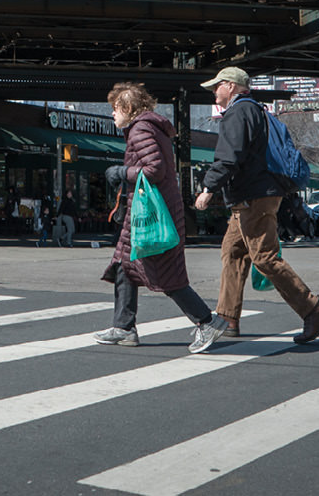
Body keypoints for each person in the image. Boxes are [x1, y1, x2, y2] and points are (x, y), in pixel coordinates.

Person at [194, 66, 319, 346]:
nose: (213, 91)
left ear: (231, 86)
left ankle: (313, 311)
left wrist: (209, 188)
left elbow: (229, 157)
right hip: (255, 194)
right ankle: (227, 318)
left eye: (217, 86)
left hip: (254, 196)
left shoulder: (238, 113)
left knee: (265, 257)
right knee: (233, 252)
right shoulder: (256, 111)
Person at [95, 81, 227, 354]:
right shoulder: (148, 128)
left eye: (116, 108)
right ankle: (124, 327)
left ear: (128, 108)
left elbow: (154, 170)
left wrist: (121, 173)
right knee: (124, 265)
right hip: (147, 212)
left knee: (166, 274)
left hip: (154, 215)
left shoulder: (140, 129)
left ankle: (207, 321)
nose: (112, 113)